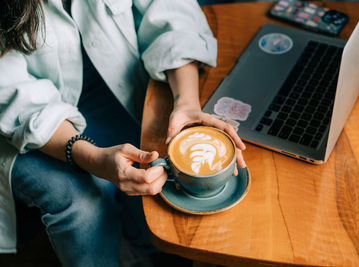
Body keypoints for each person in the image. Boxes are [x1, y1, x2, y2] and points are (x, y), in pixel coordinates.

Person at [0, 0, 246, 266]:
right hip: (22, 116)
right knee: (83, 199)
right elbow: (12, 93)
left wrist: (186, 103)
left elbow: (169, 8)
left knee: (156, 172)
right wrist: (92, 157)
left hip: (114, 81)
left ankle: (140, 249)